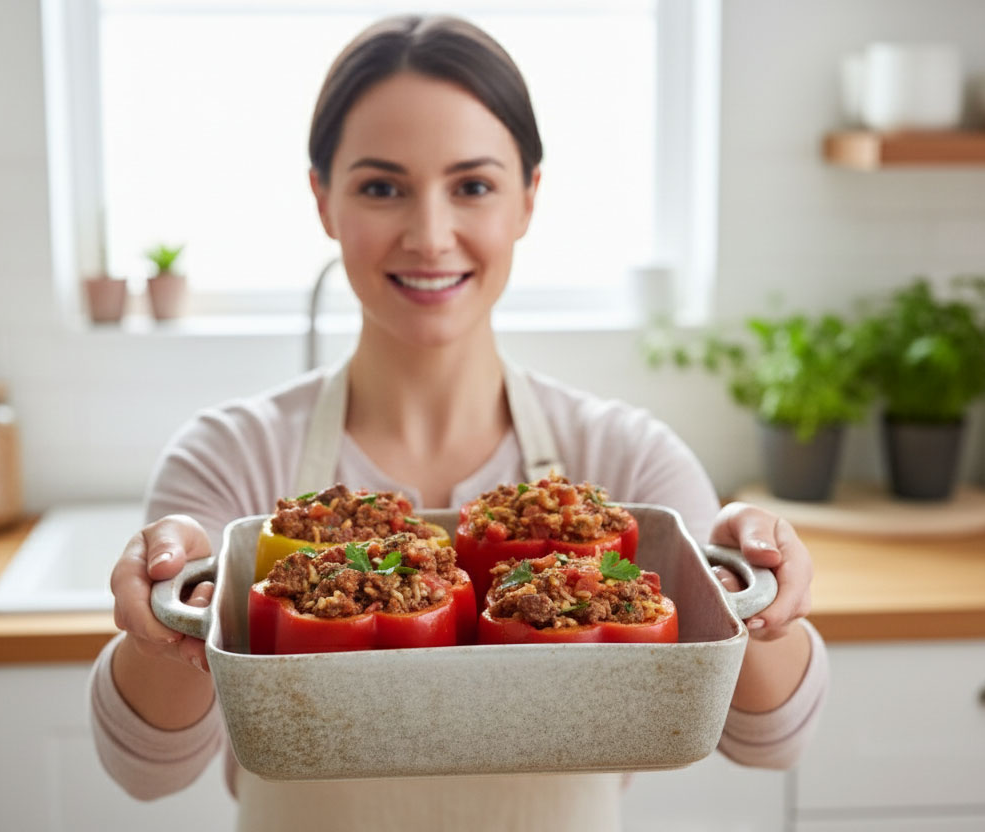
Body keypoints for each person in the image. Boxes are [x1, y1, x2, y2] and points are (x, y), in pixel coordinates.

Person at [92, 14, 827, 830]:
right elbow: (146, 770)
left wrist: (760, 603)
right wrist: (162, 627)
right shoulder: (231, 457)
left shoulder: (625, 457)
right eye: (381, 187)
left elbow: (771, 741)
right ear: (322, 200)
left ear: (528, 200)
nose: (430, 235)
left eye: (472, 186)